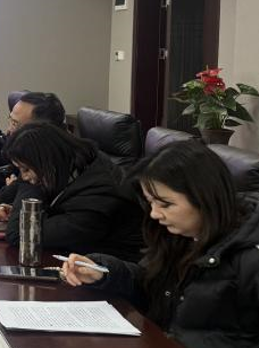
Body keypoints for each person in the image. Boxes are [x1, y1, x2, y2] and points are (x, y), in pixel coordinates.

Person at [62, 141, 259, 348]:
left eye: (166, 204)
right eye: (151, 203)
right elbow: (149, 286)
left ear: (205, 197)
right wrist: (103, 272)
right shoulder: (177, 236)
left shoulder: (250, 257)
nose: (155, 214)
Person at [0, 122, 144, 261]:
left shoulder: (99, 196)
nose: (24, 177)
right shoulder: (79, 165)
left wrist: (30, 195)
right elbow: (5, 195)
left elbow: (21, 236)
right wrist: (26, 210)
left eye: (26, 169)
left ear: (48, 162)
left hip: (109, 276)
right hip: (77, 261)